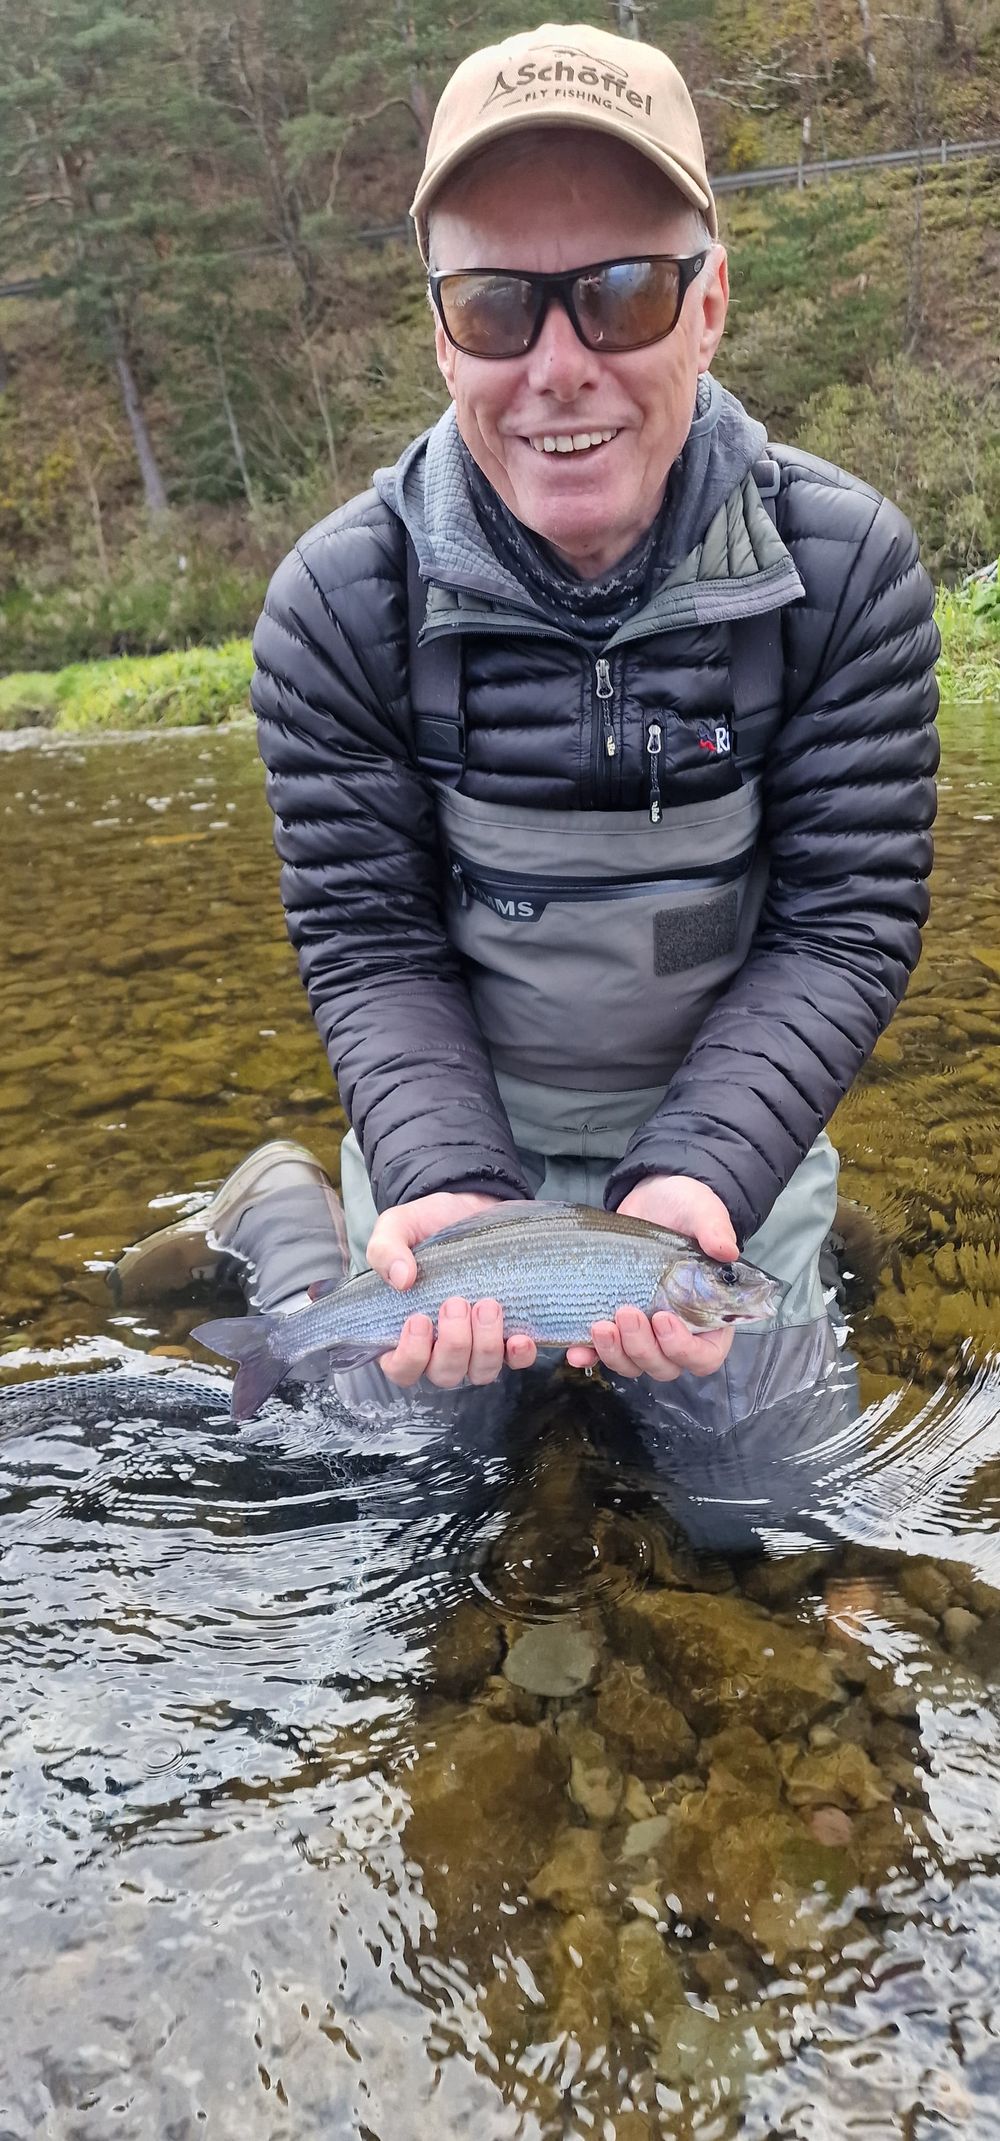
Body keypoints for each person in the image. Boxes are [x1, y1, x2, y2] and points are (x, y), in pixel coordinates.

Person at [114, 22, 938, 1426]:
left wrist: (714, 1174)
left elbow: (842, 926)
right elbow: (370, 943)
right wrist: (441, 1176)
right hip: (462, 1125)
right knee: (390, 1467)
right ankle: (292, 1217)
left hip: (715, 1137)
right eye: (500, 306)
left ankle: (803, 1219)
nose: (559, 367)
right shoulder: (338, 603)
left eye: (619, 293)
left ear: (712, 304)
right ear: (440, 335)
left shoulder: (845, 572)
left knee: (763, 1504)